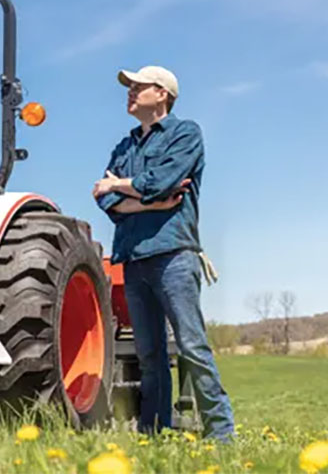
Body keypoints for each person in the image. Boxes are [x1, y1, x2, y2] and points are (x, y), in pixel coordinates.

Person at [92, 65, 234, 440]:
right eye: (130, 87)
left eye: (138, 86)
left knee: (191, 345)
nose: (130, 92)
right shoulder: (124, 146)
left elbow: (164, 182)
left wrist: (122, 186)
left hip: (173, 254)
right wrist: (151, 204)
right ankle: (153, 433)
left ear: (162, 93)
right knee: (149, 355)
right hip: (133, 258)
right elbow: (104, 199)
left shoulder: (185, 134)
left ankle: (221, 434)